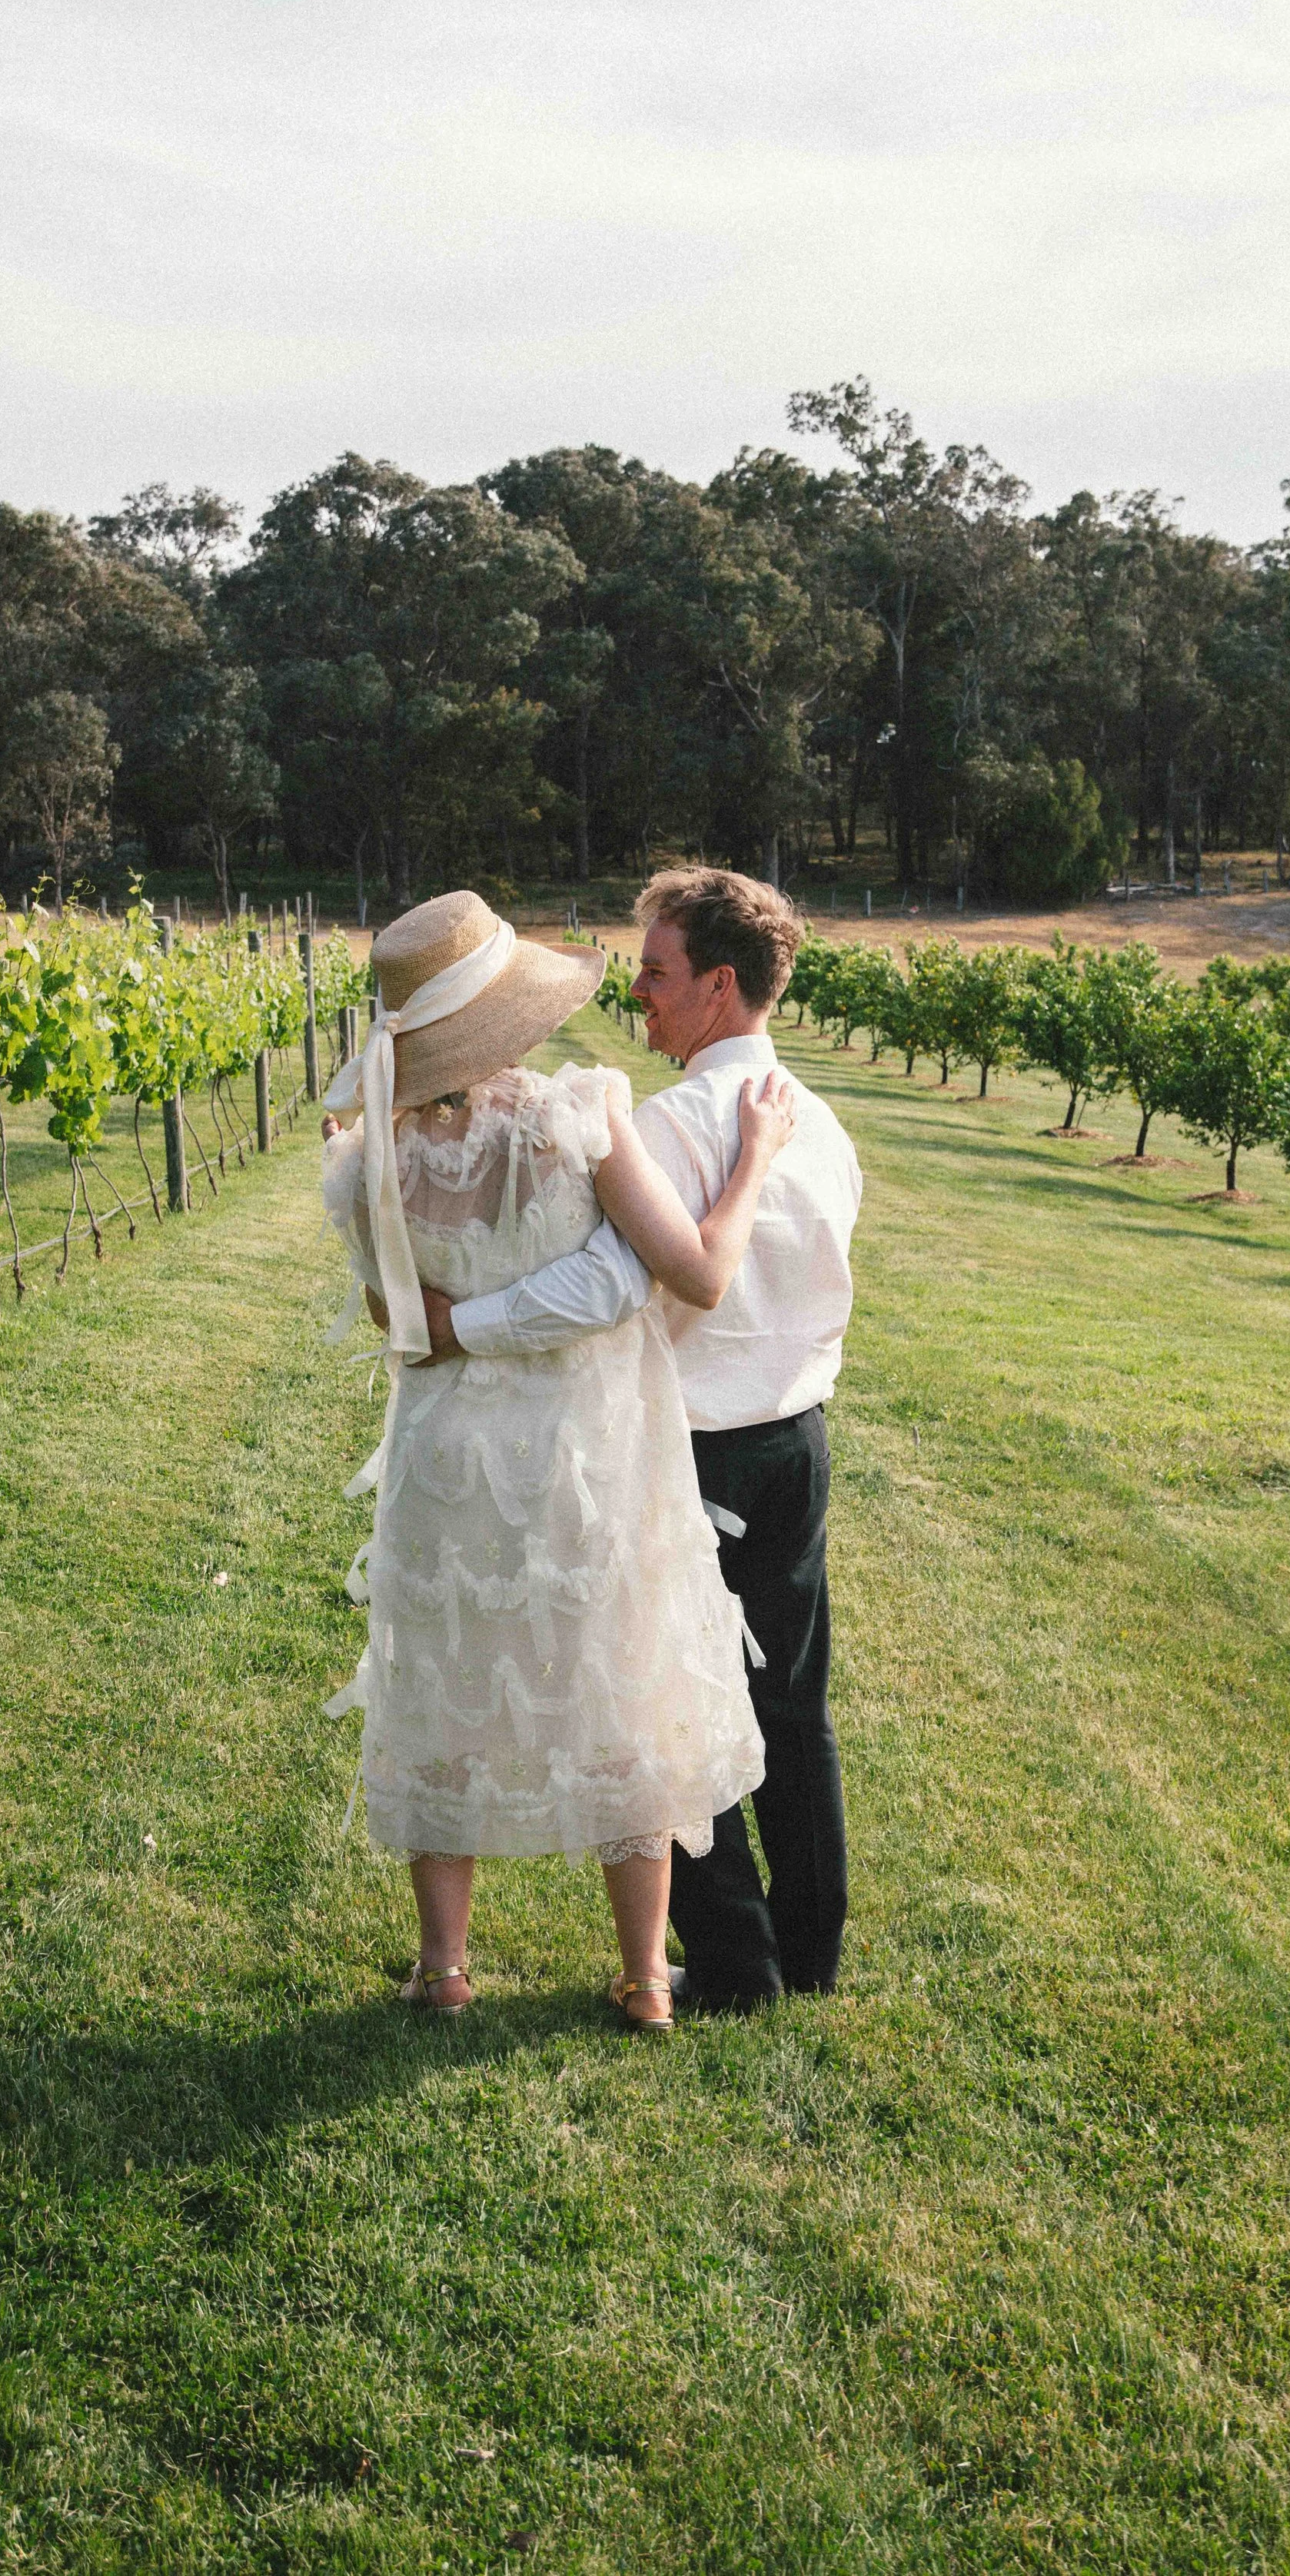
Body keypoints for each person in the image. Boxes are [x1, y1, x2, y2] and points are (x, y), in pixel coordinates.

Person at [321, 888, 797, 2033]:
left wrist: (455, 1325)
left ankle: (445, 1966)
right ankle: (643, 1976)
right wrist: (748, 1170)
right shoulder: (577, 1112)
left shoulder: (361, 1162)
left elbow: (397, 1315)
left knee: (441, 1686)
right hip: (584, 1449)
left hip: (443, 1450)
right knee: (619, 1685)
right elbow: (631, 1279)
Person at [427, 868, 862, 2012]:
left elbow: (610, 1286)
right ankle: (811, 1952)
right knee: (793, 1701)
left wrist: (455, 1324)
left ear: (721, 985)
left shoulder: (668, 1127)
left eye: (659, 974)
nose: (641, 997)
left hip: (698, 1448)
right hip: (799, 1443)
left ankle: (735, 1965)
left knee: (680, 1703)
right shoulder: (817, 1120)